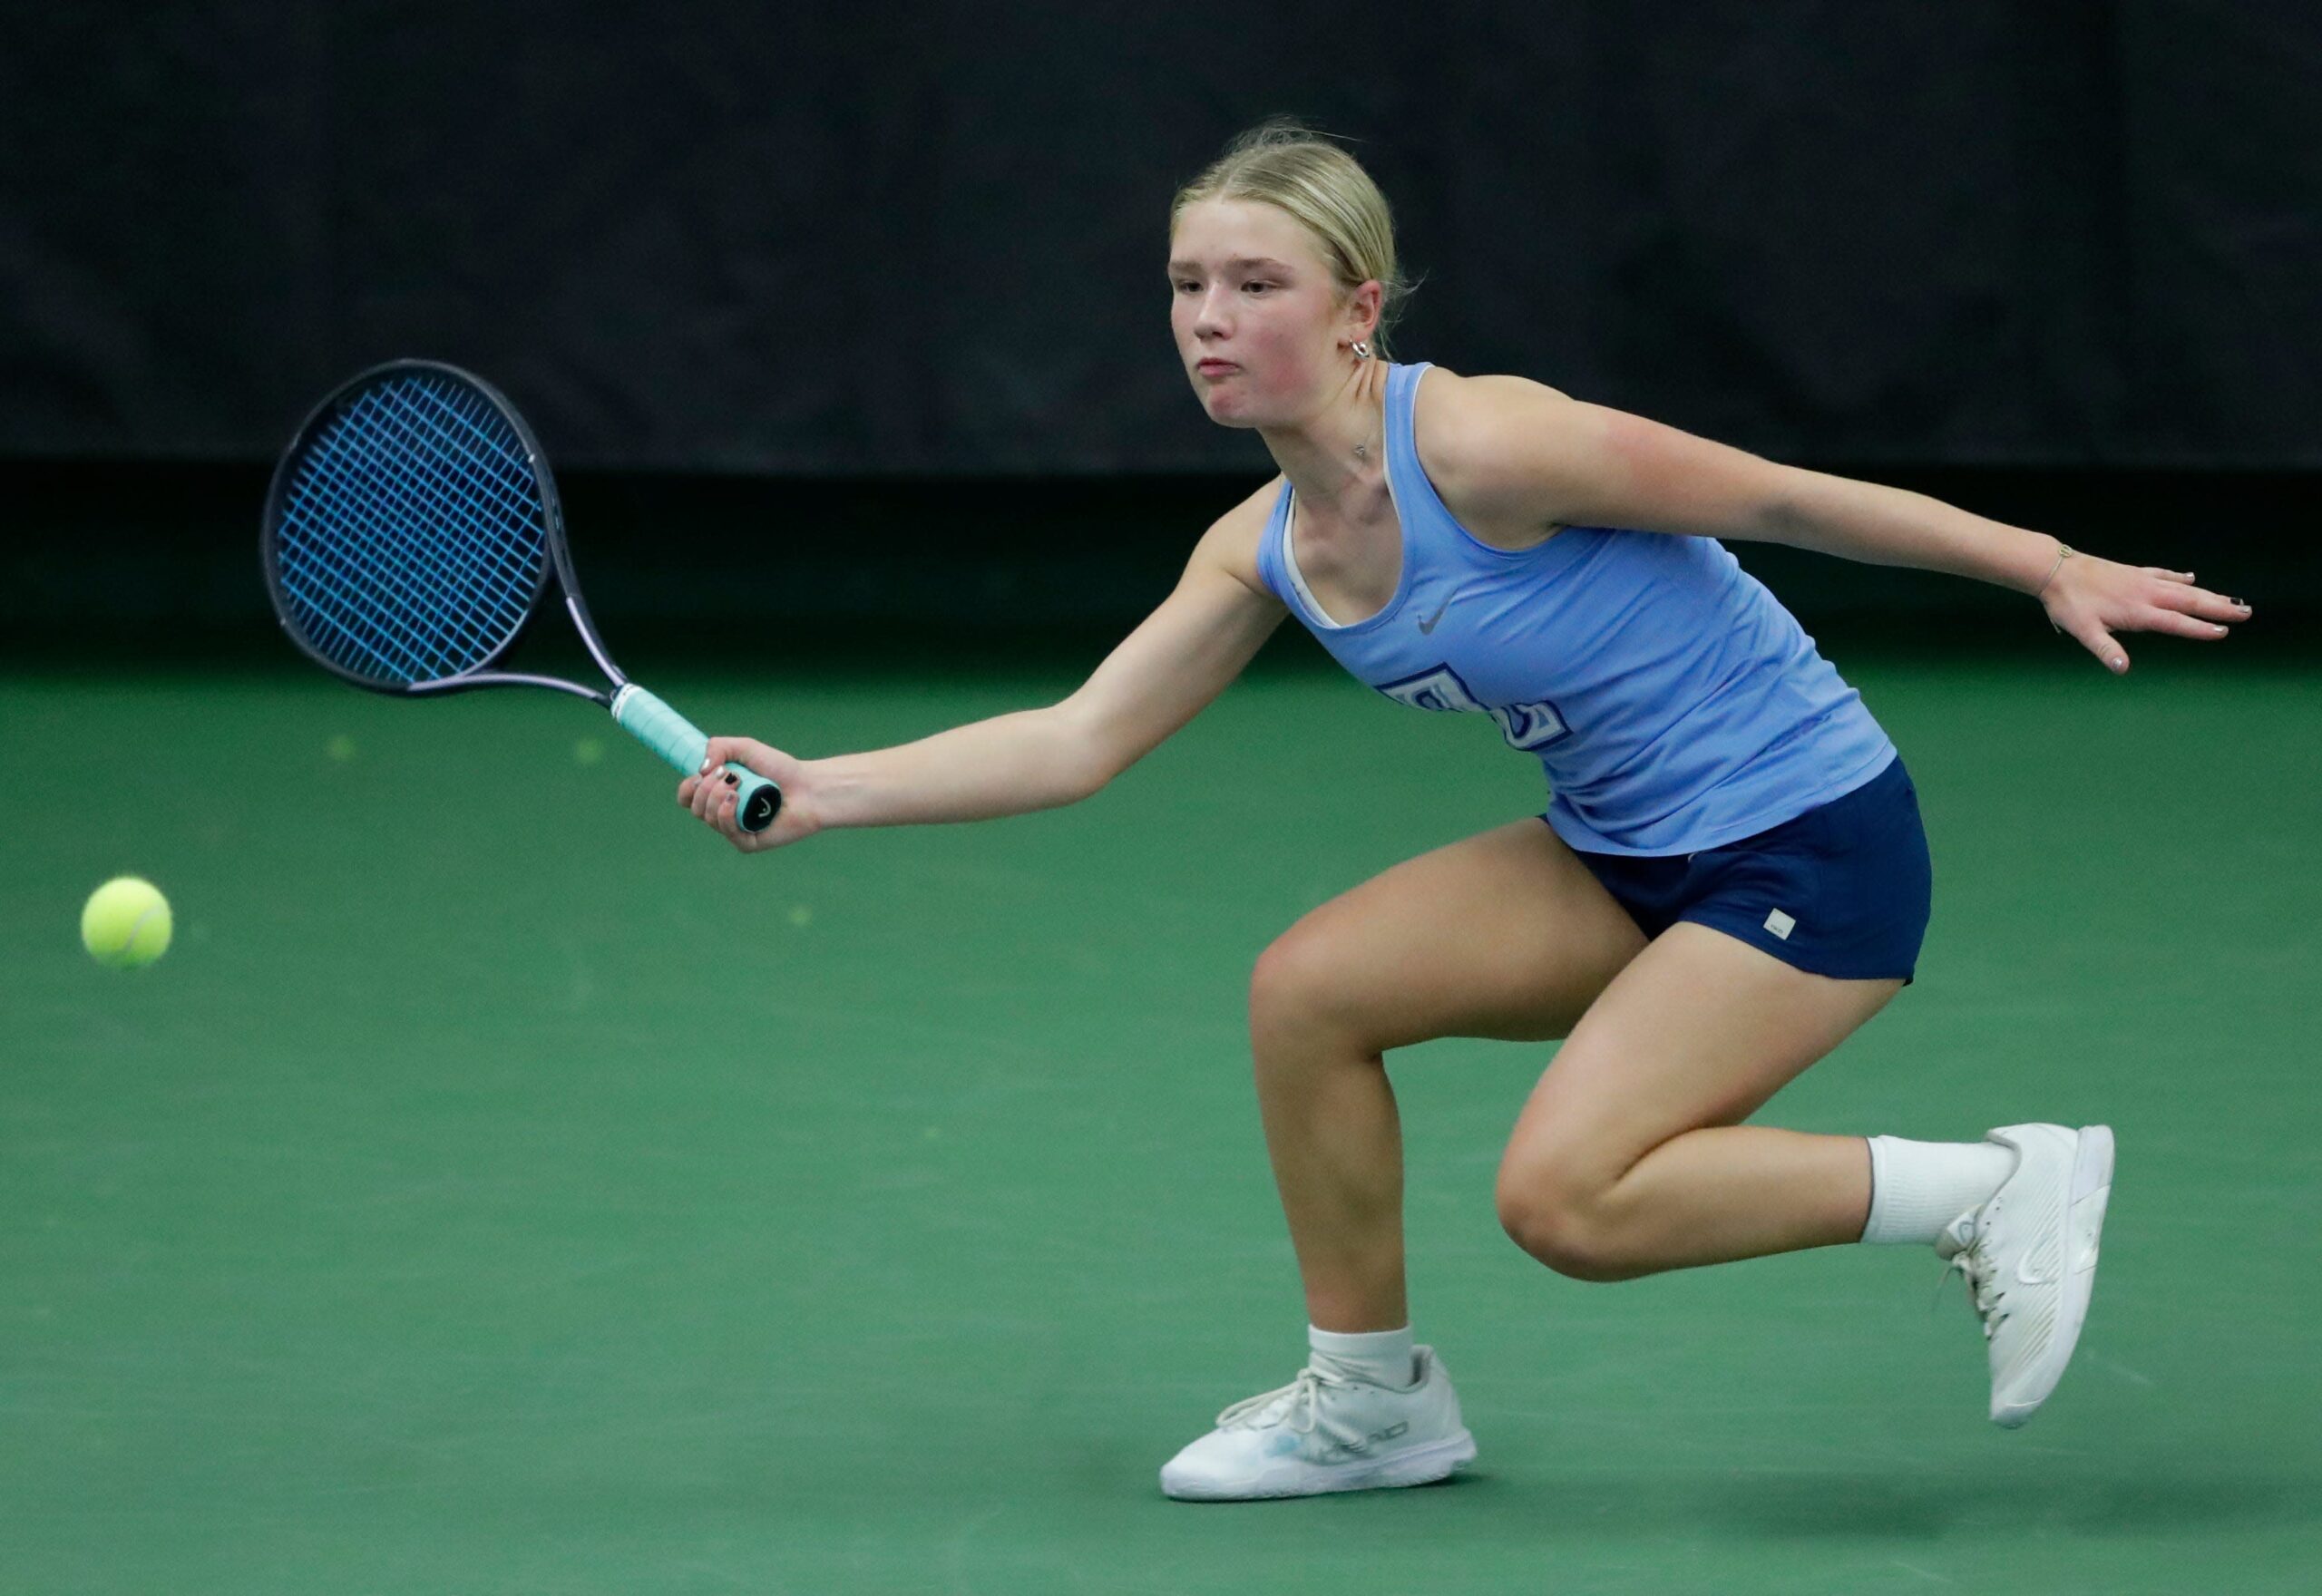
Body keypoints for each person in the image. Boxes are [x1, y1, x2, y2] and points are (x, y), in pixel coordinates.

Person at [675, 122, 2251, 1502]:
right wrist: (823, 792)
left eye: (1255, 285)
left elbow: (1780, 497)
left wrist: (2043, 560)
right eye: (1185, 285)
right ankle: (1368, 1408)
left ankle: (1989, 1186)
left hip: (1812, 842)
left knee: (1569, 1200)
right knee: (1309, 992)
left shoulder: (1488, 445)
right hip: (1623, 851)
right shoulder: (1266, 544)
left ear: (1360, 310)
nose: (1208, 322)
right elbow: (1081, 737)